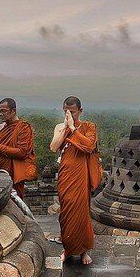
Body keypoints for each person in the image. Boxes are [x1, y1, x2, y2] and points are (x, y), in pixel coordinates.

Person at [50, 96, 98, 265]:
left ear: (80, 111)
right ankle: (68, 249)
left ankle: (84, 251)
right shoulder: (60, 127)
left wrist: (73, 128)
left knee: (81, 212)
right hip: (65, 173)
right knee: (66, 210)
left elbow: (89, 146)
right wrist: (65, 128)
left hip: (81, 174)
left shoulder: (88, 127)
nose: (69, 114)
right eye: (65, 111)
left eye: (72, 111)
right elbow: (54, 147)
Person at [0, 98, 36, 200]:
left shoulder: (23, 127)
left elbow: (22, 152)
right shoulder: (0, 128)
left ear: (13, 111)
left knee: (15, 202)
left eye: (4, 111)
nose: (1, 114)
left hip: (14, 174)